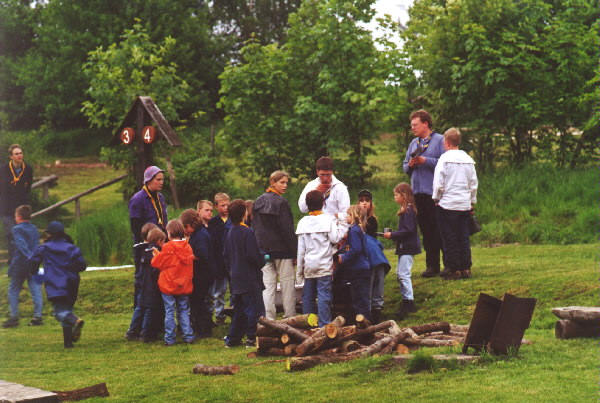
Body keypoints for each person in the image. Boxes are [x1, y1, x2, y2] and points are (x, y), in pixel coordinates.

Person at [28, 221, 87, 348]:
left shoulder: (44, 248)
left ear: (50, 234)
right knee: (67, 309)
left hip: (55, 283)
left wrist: (34, 272)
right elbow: (82, 266)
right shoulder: (72, 247)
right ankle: (68, 343)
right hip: (72, 283)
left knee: (59, 313)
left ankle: (75, 321)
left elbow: (32, 261)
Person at [402, 110, 445, 278]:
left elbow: (445, 163)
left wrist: (425, 161)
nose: (412, 128)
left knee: (438, 229)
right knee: (426, 231)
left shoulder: (439, 140)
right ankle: (432, 266)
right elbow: (405, 165)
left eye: (415, 125)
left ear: (425, 124)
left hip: (434, 193)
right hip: (417, 193)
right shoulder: (414, 143)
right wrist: (411, 165)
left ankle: (448, 264)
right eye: (411, 125)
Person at [432, 128, 478, 280]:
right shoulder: (468, 160)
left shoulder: (444, 159)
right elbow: (473, 184)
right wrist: (472, 201)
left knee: (449, 238)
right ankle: (466, 267)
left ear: (446, 142)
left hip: (447, 204)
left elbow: (438, 184)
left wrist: (436, 199)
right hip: (464, 204)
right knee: (463, 237)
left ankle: (454, 269)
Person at [296, 190, 346, 326]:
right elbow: (335, 238)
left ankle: (309, 325)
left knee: (308, 297)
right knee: (324, 296)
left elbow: (301, 250)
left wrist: (299, 271)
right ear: (323, 203)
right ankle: (324, 325)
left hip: (309, 266)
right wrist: (342, 226)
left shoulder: (302, 222)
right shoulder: (328, 220)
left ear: (307, 205)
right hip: (324, 265)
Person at [252, 171, 297, 320]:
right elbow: (287, 230)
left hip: (263, 251)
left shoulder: (258, 201)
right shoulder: (282, 203)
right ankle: (290, 317)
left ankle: (268, 320)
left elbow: (255, 227)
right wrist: (295, 252)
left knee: (267, 286)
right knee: (287, 284)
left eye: (286, 183)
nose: (285, 186)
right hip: (283, 251)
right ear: (273, 182)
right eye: (282, 182)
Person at [223, 199, 266, 348]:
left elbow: (226, 255)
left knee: (239, 311)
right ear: (244, 213)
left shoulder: (230, 232)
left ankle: (233, 339)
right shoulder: (247, 232)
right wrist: (262, 258)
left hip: (236, 278)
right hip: (249, 278)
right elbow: (253, 256)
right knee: (255, 310)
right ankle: (252, 338)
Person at [128, 166, 168, 307]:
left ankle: (155, 313)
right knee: (142, 280)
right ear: (149, 180)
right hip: (144, 246)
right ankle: (138, 311)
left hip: (159, 244)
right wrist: (146, 244)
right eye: (158, 179)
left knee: (157, 279)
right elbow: (135, 226)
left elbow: (164, 221)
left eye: (162, 179)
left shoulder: (160, 197)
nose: (161, 182)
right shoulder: (137, 199)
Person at [151, 219, 195, 346]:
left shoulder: (168, 247)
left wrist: (156, 255)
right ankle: (188, 336)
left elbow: (157, 263)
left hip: (168, 285)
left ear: (169, 233)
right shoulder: (188, 247)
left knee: (170, 311)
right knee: (183, 310)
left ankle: (170, 338)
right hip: (184, 285)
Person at [383, 183, 421, 319]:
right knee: (400, 274)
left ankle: (409, 301)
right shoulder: (406, 210)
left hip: (408, 247)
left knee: (404, 274)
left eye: (396, 195)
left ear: (403, 196)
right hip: (404, 247)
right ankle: (406, 300)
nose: (395, 197)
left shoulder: (408, 210)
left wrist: (393, 235)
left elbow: (409, 230)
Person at [3, 205, 42, 328]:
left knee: (13, 289)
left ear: (19, 216)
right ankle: (38, 316)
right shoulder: (34, 228)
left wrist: (29, 257)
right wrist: (35, 259)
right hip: (33, 264)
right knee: (35, 289)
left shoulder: (16, 229)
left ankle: (14, 317)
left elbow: (22, 245)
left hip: (20, 264)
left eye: (15, 216)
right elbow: (37, 245)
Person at [180, 208, 216, 338]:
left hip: (203, 274)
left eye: (185, 228)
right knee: (198, 301)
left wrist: (185, 257)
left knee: (198, 302)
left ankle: (204, 330)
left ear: (190, 225)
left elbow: (201, 254)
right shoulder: (199, 233)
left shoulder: (200, 235)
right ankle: (202, 328)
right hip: (203, 273)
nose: (185, 231)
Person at [357, 190, 391, 324]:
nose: (364, 203)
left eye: (367, 201)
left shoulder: (371, 220)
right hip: (369, 257)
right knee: (370, 288)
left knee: (376, 286)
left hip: (374, 257)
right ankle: (370, 317)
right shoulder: (354, 220)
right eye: (361, 201)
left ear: (371, 203)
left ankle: (375, 317)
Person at [123, 222, 159, 341]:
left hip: (139, 280)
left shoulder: (138, 249)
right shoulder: (149, 251)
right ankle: (145, 332)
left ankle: (133, 330)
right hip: (146, 283)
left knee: (140, 307)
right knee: (148, 307)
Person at [0, 144, 33, 264]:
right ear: (11, 156)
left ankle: (22, 260)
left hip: (21, 208)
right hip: (7, 208)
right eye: (16, 154)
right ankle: (13, 260)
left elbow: (28, 187)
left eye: (21, 153)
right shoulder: (3, 169)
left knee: (22, 234)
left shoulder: (28, 169)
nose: (19, 156)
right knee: (11, 234)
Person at [338, 205, 371, 320]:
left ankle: (365, 323)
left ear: (352, 216)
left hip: (358, 270)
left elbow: (356, 249)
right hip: (362, 269)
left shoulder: (354, 230)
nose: (346, 216)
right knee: (361, 298)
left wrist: (344, 257)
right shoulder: (359, 229)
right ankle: (365, 321)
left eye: (348, 214)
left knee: (360, 300)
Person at [207, 192, 231, 326]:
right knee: (219, 291)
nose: (226, 208)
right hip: (219, 261)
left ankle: (235, 313)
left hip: (232, 261)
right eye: (222, 205)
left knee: (235, 290)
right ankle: (219, 315)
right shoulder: (213, 223)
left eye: (227, 205)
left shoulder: (233, 220)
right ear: (216, 206)